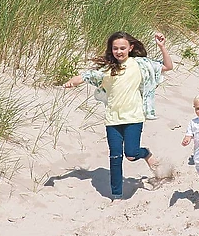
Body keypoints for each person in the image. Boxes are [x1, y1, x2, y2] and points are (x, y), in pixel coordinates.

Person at [63, 31, 173, 200]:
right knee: (115, 157)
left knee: (131, 154)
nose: (119, 51)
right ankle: (117, 195)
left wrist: (162, 47)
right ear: (111, 50)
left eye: (122, 48)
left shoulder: (140, 64)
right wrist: (71, 82)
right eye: (115, 48)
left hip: (134, 118)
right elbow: (85, 76)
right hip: (112, 119)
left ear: (131, 48)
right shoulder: (107, 69)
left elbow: (167, 66)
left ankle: (146, 154)